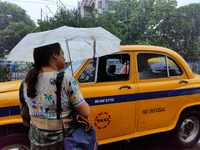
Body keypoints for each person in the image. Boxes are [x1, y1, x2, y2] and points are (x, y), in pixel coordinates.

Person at [22, 43, 90, 149]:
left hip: (36, 141)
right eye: (62, 54)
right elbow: (85, 112)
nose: (64, 58)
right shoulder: (65, 79)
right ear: (54, 54)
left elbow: (25, 116)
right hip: (61, 143)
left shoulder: (26, 82)